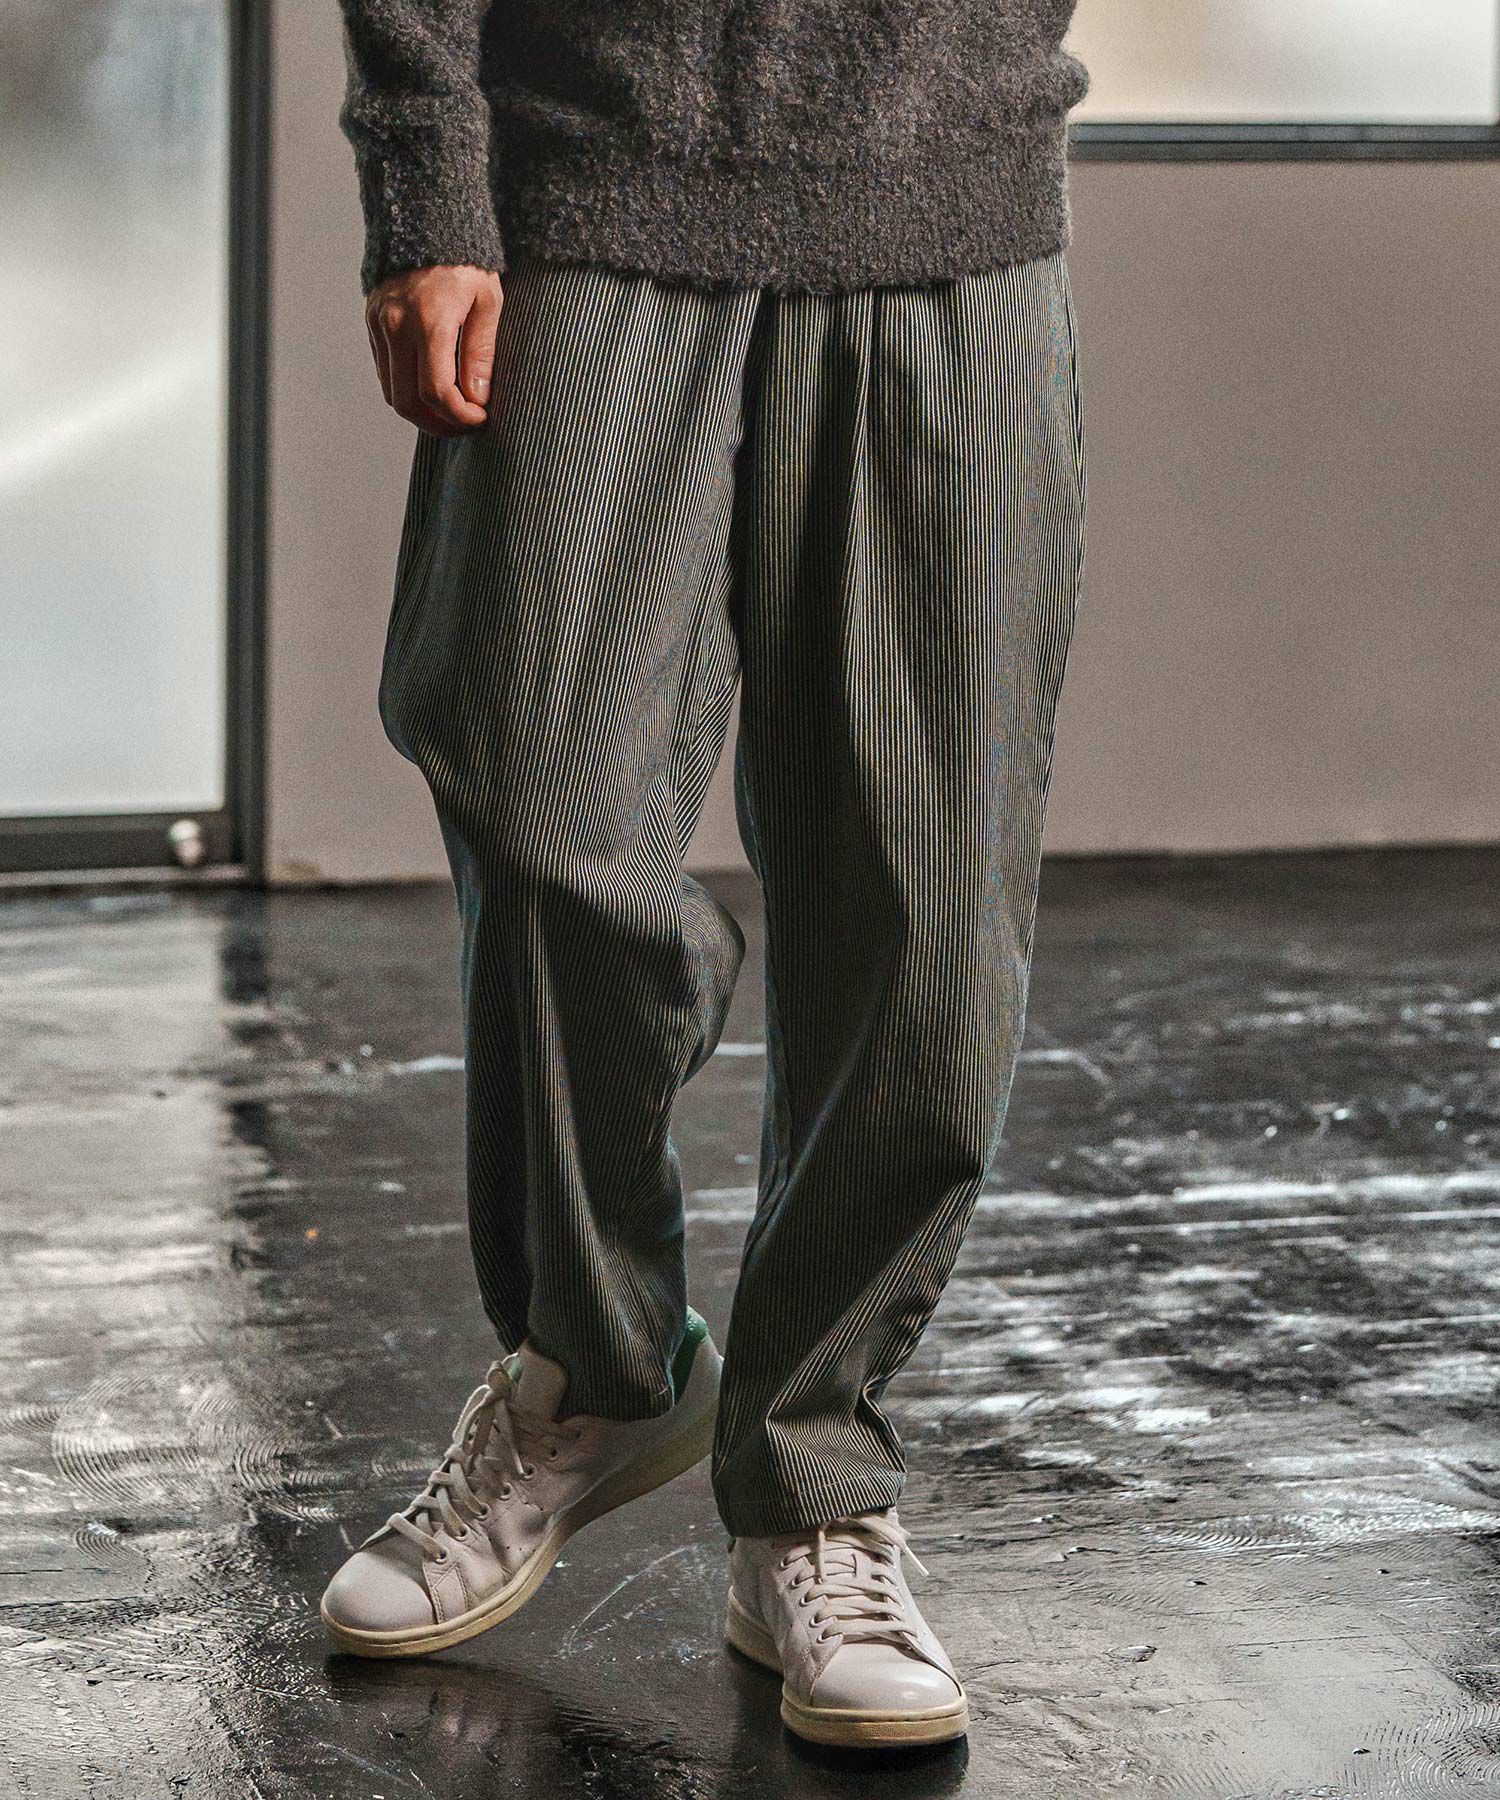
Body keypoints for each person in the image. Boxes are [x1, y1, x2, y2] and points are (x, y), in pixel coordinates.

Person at [318, 0, 1089, 1750]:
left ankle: (813, 1483)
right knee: (542, 797)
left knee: (928, 899)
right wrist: (429, 179)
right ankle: (597, 1368)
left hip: (950, 193)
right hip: (589, 172)